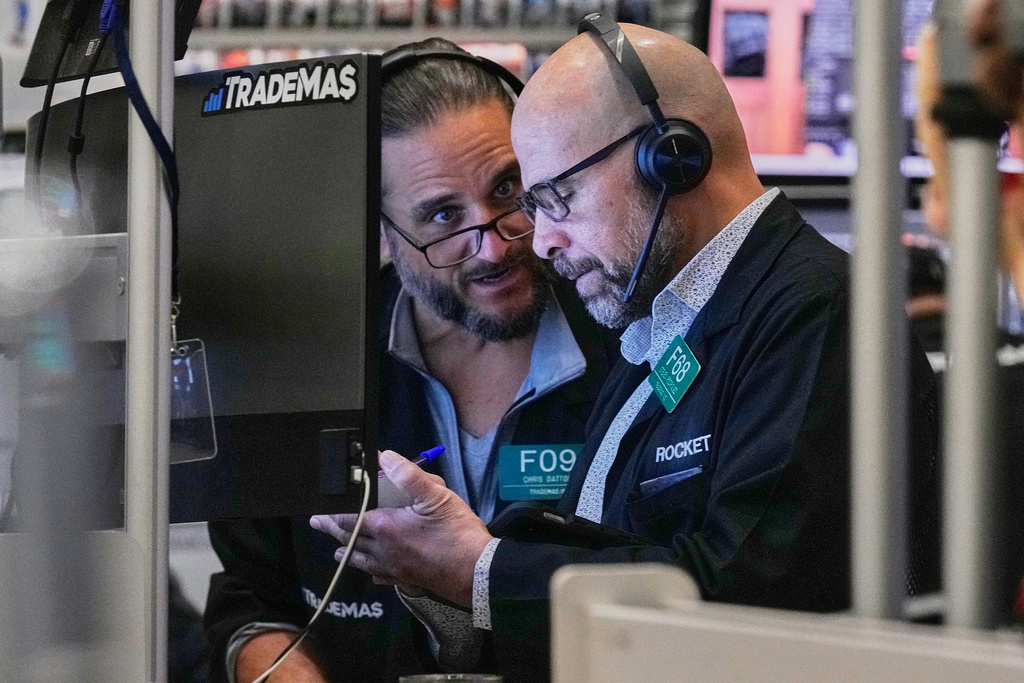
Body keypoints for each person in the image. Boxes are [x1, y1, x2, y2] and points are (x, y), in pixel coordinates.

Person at [312, 20, 938, 681]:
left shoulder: (815, 313)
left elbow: (751, 601)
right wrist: (462, 600)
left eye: (558, 198)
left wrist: (480, 569)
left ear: (672, 158)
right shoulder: (654, 334)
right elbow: (617, 562)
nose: (541, 241)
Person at [202, 38, 621, 683]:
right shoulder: (305, 364)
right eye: (443, 216)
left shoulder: (628, 340)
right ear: (380, 236)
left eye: (508, 187)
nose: (493, 245)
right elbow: (255, 599)